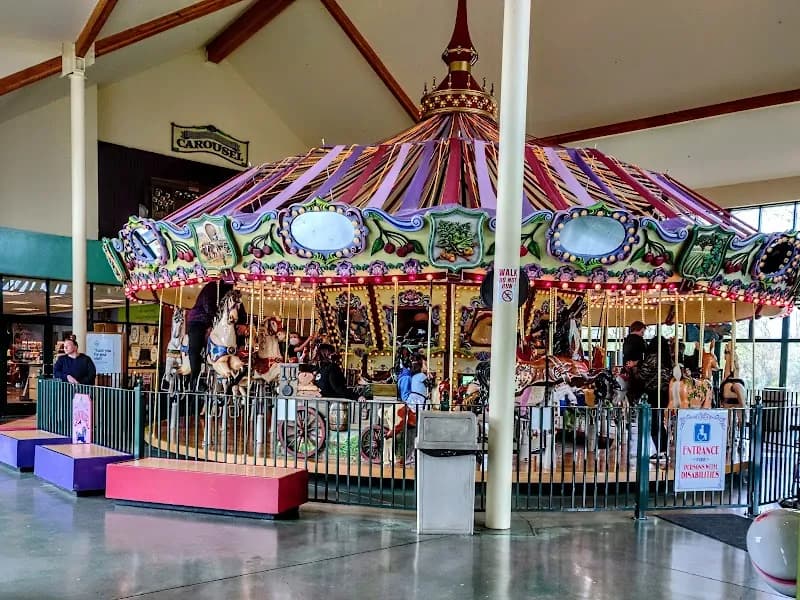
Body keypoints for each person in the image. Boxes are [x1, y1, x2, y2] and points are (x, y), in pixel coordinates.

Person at [186, 281, 247, 388]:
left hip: (219, 323)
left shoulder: (232, 292)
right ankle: (195, 378)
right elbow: (208, 306)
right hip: (199, 319)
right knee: (195, 346)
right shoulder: (212, 287)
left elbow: (239, 309)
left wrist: (243, 324)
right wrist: (213, 323)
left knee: (235, 334)